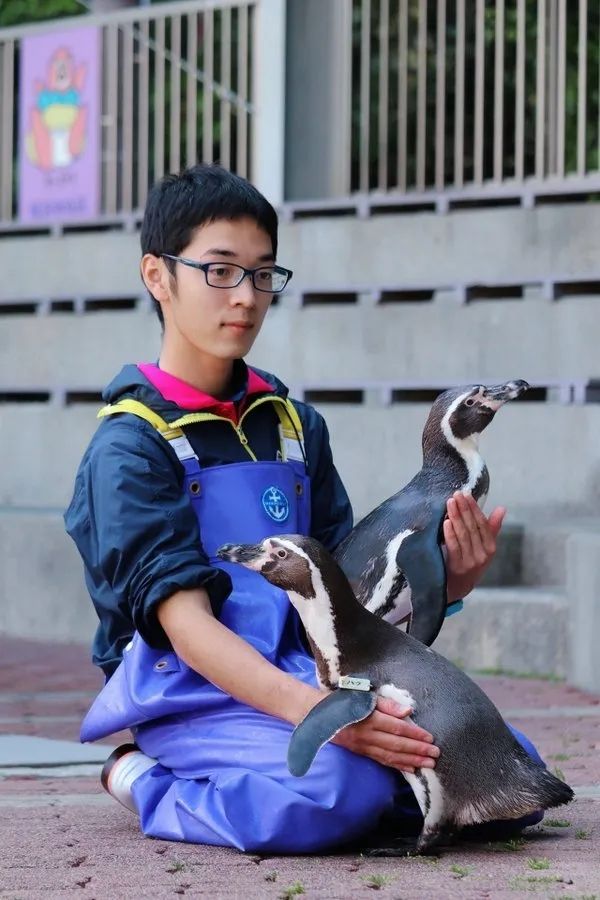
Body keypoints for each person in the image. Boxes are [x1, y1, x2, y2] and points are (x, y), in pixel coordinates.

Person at [65, 164, 542, 853]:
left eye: (263, 274)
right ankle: (145, 779)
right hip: (194, 692)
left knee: (504, 775)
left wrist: (453, 581)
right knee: (340, 792)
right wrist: (324, 714)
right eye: (221, 270)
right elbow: (188, 629)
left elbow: (342, 599)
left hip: (309, 669)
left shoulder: (293, 424)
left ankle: (357, 783)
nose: (247, 297)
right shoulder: (131, 446)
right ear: (157, 275)